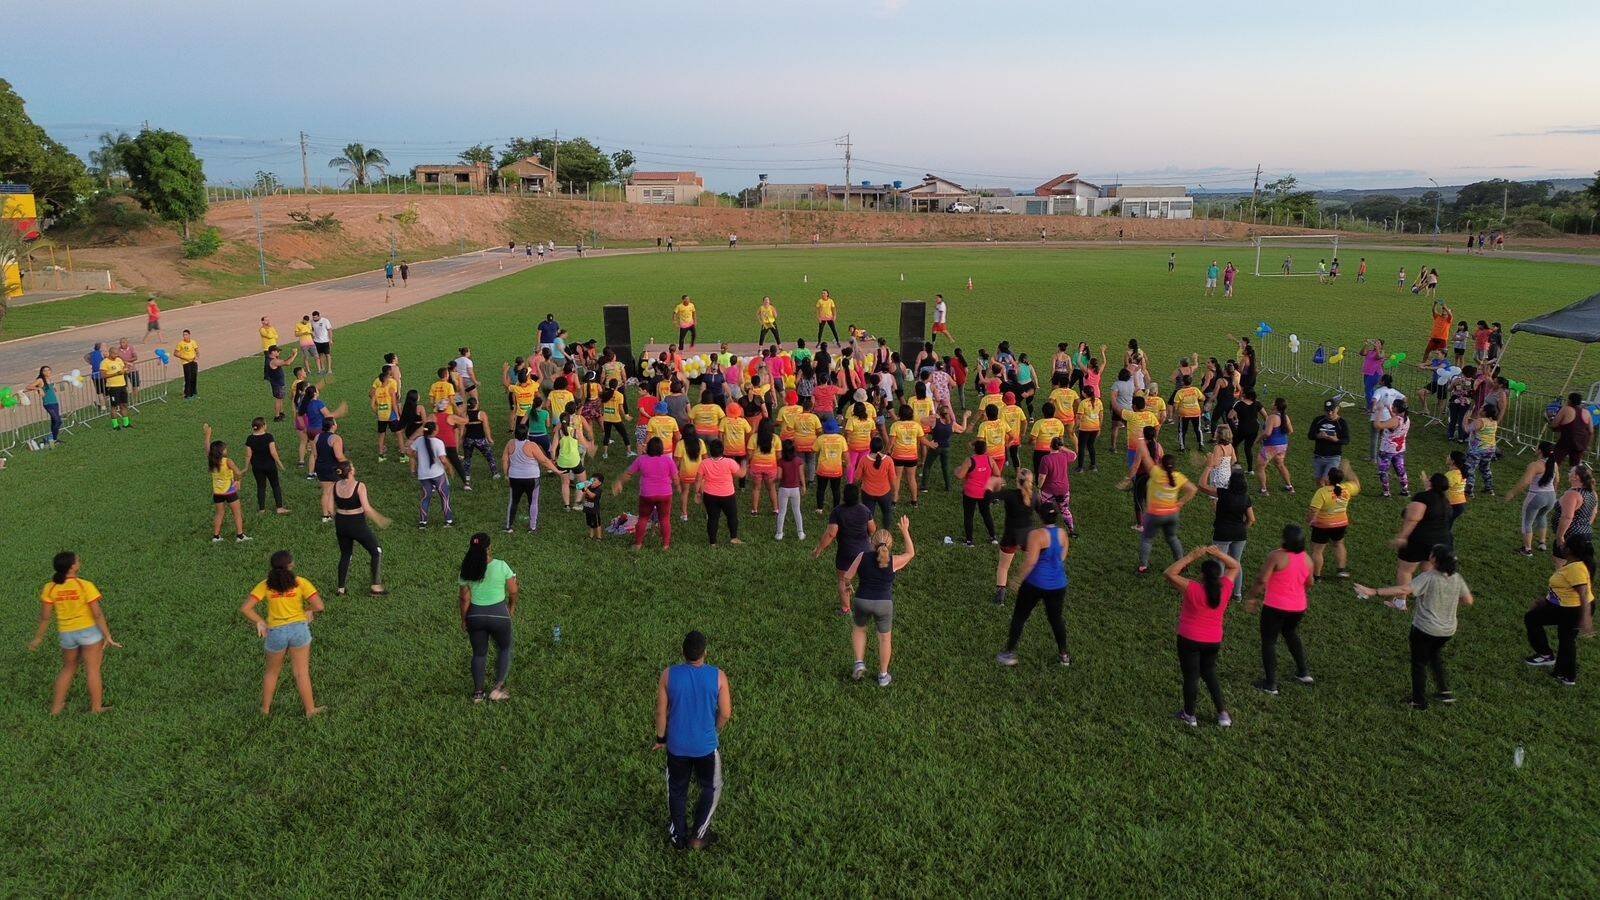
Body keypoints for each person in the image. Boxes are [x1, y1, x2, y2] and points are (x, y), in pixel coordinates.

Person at [1355, 545, 1473, 709]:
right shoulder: (1457, 578)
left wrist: (1374, 591)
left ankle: (1418, 700)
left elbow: (1405, 589)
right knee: (1434, 655)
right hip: (1447, 631)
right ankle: (1444, 692)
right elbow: (1468, 600)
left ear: (1435, 560)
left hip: (1425, 629)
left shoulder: (1429, 577)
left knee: (1419, 663)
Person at [654, 630, 731, 851]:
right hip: (706, 747)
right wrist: (713, 730)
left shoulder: (668, 675)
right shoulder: (719, 676)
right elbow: (725, 713)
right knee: (712, 787)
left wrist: (661, 738)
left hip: (677, 747)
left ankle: (678, 837)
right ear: (705, 652)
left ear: (683, 652)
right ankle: (698, 835)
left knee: (677, 789)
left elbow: (661, 712)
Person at [29, 551, 121, 715]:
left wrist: (38, 638)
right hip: (89, 633)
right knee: (93, 669)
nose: (80, 561)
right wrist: (107, 635)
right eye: (78, 560)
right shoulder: (85, 585)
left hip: (67, 634)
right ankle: (96, 708)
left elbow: (45, 617)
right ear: (72, 567)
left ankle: (56, 707)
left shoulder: (50, 588)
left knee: (68, 668)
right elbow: (97, 614)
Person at [240, 550, 324, 717]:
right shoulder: (301, 583)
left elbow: (246, 608)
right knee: (301, 672)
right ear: (290, 565)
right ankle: (310, 710)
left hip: (276, 633)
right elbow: (320, 606)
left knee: (272, 672)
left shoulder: (265, 584)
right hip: (299, 630)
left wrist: (260, 621)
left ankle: (265, 710)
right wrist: (309, 611)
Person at [1165, 545, 1241, 727]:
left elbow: (1169, 573)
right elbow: (1235, 566)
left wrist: (1193, 555)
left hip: (1189, 639)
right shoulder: (1225, 587)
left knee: (1191, 676)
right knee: (1209, 673)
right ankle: (1223, 714)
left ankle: (1189, 715)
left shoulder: (1192, 589)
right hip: (1213, 640)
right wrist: (1218, 554)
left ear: (1202, 576)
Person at [996, 500, 1072, 667]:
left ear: (1040, 516)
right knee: (1056, 619)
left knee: (1020, 617)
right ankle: (1064, 654)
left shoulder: (1036, 535)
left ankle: (1009, 653)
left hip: (1035, 583)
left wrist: (1016, 579)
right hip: (1058, 584)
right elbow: (1062, 557)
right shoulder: (1062, 534)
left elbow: (1030, 562)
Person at [844, 517, 915, 687]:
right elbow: (911, 553)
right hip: (884, 604)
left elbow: (847, 576)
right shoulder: (893, 561)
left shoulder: (862, 556)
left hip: (862, 600)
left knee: (860, 630)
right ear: (889, 545)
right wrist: (905, 531)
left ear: (871, 542)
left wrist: (849, 587)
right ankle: (883, 676)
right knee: (884, 639)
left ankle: (859, 662)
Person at [1246, 524, 1315, 694]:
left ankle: (1270, 684)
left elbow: (1262, 579)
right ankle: (1303, 672)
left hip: (1275, 607)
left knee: (1269, 641)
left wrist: (1252, 597)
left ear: (1285, 540)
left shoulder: (1276, 556)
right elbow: (1310, 582)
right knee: (1290, 633)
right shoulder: (1307, 558)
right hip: (1298, 607)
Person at [1523, 535, 1596, 684]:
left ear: (1569, 550)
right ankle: (1563, 672)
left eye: (1564, 544)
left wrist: (1586, 618)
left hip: (1573, 609)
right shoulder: (1572, 564)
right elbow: (1564, 588)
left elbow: (1583, 592)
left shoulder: (1576, 568)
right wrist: (1545, 601)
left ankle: (1556, 665)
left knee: (1562, 637)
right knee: (1560, 635)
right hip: (1564, 606)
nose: (1561, 545)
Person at [458, 533, 518, 702]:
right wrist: (511, 608)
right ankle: (498, 689)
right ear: (489, 547)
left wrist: (464, 619)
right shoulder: (501, 565)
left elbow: (464, 599)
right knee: (505, 648)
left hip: (475, 615)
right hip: (499, 615)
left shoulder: (466, 568)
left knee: (479, 654)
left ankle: (478, 693)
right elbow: (513, 591)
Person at [814, 484, 878, 616]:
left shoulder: (837, 511)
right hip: (864, 552)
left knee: (843, 580)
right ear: (858, 496)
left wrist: (819, 548)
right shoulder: (865, 510)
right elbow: (872, 529)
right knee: (866, 579)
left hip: (846, 552)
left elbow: (831, 534)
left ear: (844, 496)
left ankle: (846, 609)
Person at [331, 461, 390, 596]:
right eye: (353, 466)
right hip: (357, 524)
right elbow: (367, 509)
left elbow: (330, 509)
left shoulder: (335, 485)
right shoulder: (359, 486)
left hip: (340, 523)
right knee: (376, 551)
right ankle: (376, 587)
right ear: (350, 471)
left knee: (346, 554)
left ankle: (341, 589)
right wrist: (380, 520)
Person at [1390, 473, 1454, 590]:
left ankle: (1400, 601)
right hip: (1439, 542)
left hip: (1419, 540)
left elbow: (1413, 519)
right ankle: (1426, 597)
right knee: (1427, 571)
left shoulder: (1423, 497)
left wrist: (1402, 537)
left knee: (1405, 570)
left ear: (1431, 483)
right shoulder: (1445, 501)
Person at [616, 436, 679, 550]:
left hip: (647, 494)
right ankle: (665, 545)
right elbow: (675, 478)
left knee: (643, 518)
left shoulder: (641, 459)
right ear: (661, 449)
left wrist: (620, 482)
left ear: (648, 448)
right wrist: (677, 487)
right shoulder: (668, 460)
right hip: (665, 494)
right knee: (664, 518)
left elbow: (628, 474)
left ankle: (638, 544)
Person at [1138, 453, 1197, 574]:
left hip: (1154, 515)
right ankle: (1181, 564)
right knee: (1172, 538)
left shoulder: (1156, 473)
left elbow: (1145, 457)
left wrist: (1139, 439)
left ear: (1160, 464)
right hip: (1172, 515)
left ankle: (1143, 567)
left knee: (1147, 539)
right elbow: (1193, 489)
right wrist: (1180, 503)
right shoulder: (1178, 477)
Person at [1504, 442, 1560, 556]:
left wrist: (1512, 493)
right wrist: (1553, 492)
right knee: (1542, 516)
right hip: (1551, 496)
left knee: (1527, 522)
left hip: (1536, 496)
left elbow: (1525, 482)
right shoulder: (1554, 464)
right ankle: (1542, 542)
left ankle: (1527, 549)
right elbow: (1557, 480)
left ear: (1540, 451)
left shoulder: (1534, 465)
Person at [1307, 463, 1360, 579]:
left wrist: (1309, 521)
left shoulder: (1322, 492)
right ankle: (1341, 570)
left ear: (1328, 478)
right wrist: (1348, 470)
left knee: (1317, 550)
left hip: (1322, 525)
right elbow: (1357, 484)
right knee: (1339, 544)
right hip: (1341, 524)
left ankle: (1317, 576)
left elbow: (1313, 510)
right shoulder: (1347, 488)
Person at [992, 470, 1037, 605]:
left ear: (1017, 480)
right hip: (1027, 535)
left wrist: (992, 484)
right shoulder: (1034, 496)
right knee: (1032, 563)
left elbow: (989, 497)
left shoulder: (1010, 494)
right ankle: (1027, 590)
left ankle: (1000, 597)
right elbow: (1044, 511)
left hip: (1010, 535)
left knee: (1003, 567)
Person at [503, 425, 558, 535]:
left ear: (515, 434)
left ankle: (508, 526)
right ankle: (532, 528)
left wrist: (506, 475)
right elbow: (544, 461)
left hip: (515, 477)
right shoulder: (531, 445)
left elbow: (505, 459)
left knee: (513, 501)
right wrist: (557, 470)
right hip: (532, 478)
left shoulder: (510, 443)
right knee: (533, 502)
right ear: (527, 434)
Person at [203, 424, 248, 543]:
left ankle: (216, 536)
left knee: (219, 513)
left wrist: (207, 435)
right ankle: (240, 536)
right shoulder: (228, 461)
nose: (226, 450)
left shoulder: (211, 460)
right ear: (222, 451)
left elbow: (207, 448)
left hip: (217, 492)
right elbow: (238, 473)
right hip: (229, 491)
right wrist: (238, 480)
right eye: (225, 448)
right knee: (237, 513)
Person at [697, 440, 747, 546]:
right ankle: (733, 537)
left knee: (712, 518)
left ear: (710, 451)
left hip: (709, 495)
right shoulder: (729, 462)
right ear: (722, 450)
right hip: (727, 495)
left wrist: (698, 493)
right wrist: (744, 464)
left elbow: (698, 480)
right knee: (732, 516)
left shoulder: (704, 463)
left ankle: (712, 543)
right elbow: (741, 474)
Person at [409, 422, 454, 528]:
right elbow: (443, 459)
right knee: (444, 496)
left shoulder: (419, 441)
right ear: (434, 431)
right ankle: (448, 520)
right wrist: (450, 468)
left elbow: (410, 452)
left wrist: (416, 457)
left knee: (425, 497)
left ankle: (423, 522)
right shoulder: (438, 442)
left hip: (424, 475)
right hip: (438, 474)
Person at [955, 440, 998, 546]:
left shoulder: (969, 461)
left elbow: (960, 475)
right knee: (986, 514)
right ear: (985, 449)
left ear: (974, 449)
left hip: (970, 493)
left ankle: (969, 541)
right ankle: (993, 538)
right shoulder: (990, 460)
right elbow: (997, 473)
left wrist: (956, 470)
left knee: (969, 516)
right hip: (986, 492)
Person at [244, 417, 290, 515]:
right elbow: (273, 452)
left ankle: (261, 509)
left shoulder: (250, 438)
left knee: (261, 486)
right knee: (275, 485)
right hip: (270, 466)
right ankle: (279, 508)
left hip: (257, 467)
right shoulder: (269, 437)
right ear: (263, 426)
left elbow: (248, 455)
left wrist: (246, 467)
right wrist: (279, 463)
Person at [1552, 464, 1596, 558]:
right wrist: (1584, 526)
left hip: (1570, 537)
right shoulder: (1592, 492)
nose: (1568, 474)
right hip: (1586, 534)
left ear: (1576, 477)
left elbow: (1567, 517)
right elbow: (1593, 512)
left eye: (1571, 472)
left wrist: (1560, 536)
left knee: (1563, 566)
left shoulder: (1572, 494)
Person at [1374, 398, 1412, 497]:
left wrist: (1379, 411)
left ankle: (1386, 492)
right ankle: (1405, 490)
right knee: (1400, 469)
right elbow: (1395, 420)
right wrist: (1389, 410)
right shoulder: (1406, 418)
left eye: (1393, 406)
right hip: (1399, 449)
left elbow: (1378, 425)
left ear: (1396, 408)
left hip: (1387, 450)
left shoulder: (1395, 420)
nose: (1392, 407)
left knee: (1383, 471)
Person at [1256, 398, 1293, 494]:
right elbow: (1290, 431)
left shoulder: (1271, 417)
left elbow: (1267, 433)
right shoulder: (1285, 417)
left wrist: (1259, 439)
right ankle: (1289, 486)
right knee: (1280, 465)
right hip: (1283, 445)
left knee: (1261, 466)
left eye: (1273, 402)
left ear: (1276, 406)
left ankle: (1264, 490)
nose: (1271, 403)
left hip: (1271, 445)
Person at [1307, 399, 1349, 484]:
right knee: (1319, 482)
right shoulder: (1318, 420)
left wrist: (1336, 440)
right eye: (1327, 411)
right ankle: (1324, 496)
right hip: (1318, 456)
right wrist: (1318, 436)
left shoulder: (1341, 423)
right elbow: (1310, 435)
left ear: (1337, 409)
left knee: (1325, 480)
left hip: (1333, 457)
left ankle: (1329, 495)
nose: (1329, 413)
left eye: (1332, 410)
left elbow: (1346, 440)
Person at [25, 366, 64, 446]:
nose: (47, 372)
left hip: (54, 402)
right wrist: (39, 389)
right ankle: (51, 438)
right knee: (58, 420)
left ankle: (53, 439)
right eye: (45, 371)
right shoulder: (40, 380)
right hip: (48, 403)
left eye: (48, 370)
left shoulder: (50, 379)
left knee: (55, 421)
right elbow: (28, 387)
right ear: (42, 372)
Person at [775, 441, 806, 541]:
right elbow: (801, 475)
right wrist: (803, 486)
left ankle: (779, 533)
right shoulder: (799, 461)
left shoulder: (780, 461)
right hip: (795, 489)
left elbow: (779, 476)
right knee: (797, 510)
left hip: (783, 489)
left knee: (782, 512)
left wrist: (774, 481)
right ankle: (800, 532)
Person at [99, 345, 132, 430]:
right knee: (114, 406)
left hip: (122, 385)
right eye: (114, 354)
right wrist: (116, 374)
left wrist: (126, 370)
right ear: (110, 353)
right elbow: (103, 375)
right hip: (113, 387)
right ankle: (115, 425)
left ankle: (126, 423)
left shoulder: (119, 360)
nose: (116, 355)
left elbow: (123, 369)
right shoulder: (104, 362)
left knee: (124, 404)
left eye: (117, 354)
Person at [174, 329, 199, 399]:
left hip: (193, 362)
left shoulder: (193, 342)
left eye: (186, 335)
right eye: (183, 335)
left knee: (194, 377)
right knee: (188, 378)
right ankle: (187, 394)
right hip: (186, 363)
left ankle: (193, 393)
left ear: (189, 335)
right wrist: (184, 358)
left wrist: (196, 356)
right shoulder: (180, 344)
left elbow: (197, 351)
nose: (184, 336)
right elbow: (175, 353)